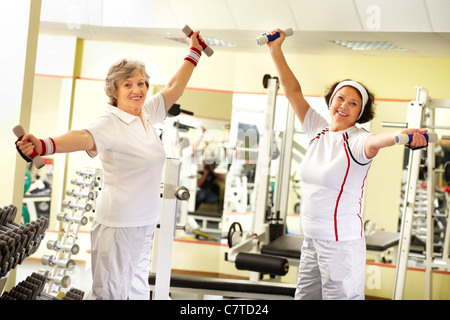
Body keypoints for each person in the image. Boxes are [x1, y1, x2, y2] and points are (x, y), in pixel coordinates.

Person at [17, 31, 205, 300]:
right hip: (118, 223)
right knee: (109, 293)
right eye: (128, 85)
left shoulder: (146, 114)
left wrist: (194, 52)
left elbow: (174, 88)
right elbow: (82, 137)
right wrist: (43, 145)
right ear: (114, 91)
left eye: (141, 83)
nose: (137, 89)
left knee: (138, 289)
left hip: (144, 221)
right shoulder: (110, 122)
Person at [265, 28, 428, 300]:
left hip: (341, 245)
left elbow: (378, 140)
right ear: (331, 100)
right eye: (340, 98)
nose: (344, 106)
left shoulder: (357, 141)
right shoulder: (317, 129)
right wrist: (275, 50)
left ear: (360, 113)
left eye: (353, 103)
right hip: (312, 241)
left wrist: (403, 137)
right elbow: (292, 91)